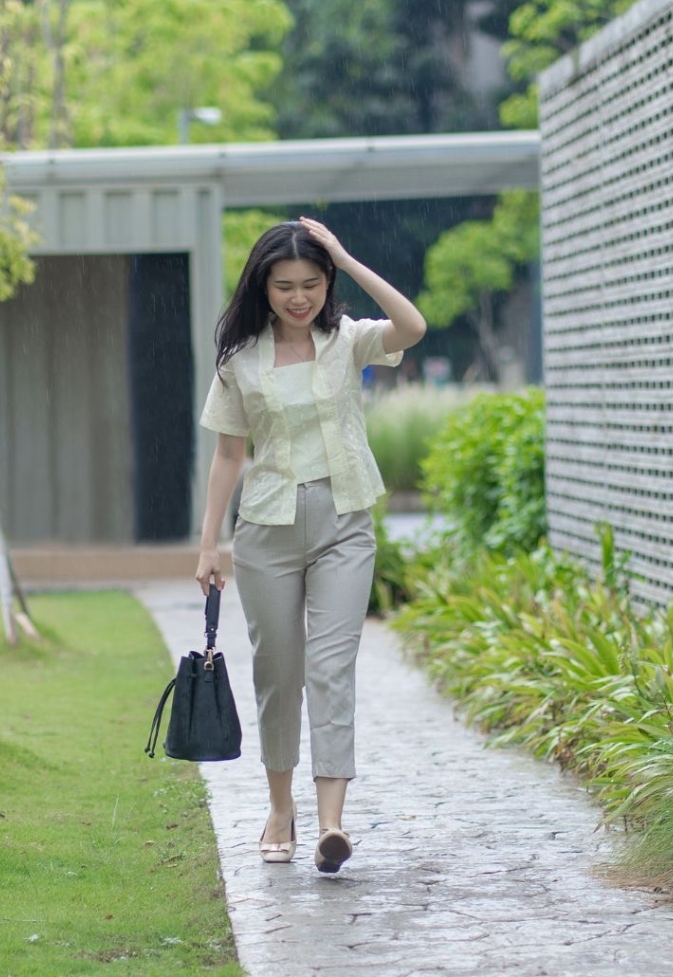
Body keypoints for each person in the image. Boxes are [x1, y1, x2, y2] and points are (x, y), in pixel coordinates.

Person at [194, 217, 426, 873]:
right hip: (265, 529)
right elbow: (228, 454)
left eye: (312, 284)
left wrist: (347, 259)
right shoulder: (240, 361)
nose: (300, 297)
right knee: (278, 673)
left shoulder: (348, 341)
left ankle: (331, 823)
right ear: (263, 289)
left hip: (344, 523)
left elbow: (413, 328)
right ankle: (278, 807)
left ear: (327, 283)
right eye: (285, 286)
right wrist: (208, 545)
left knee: (331, 670)